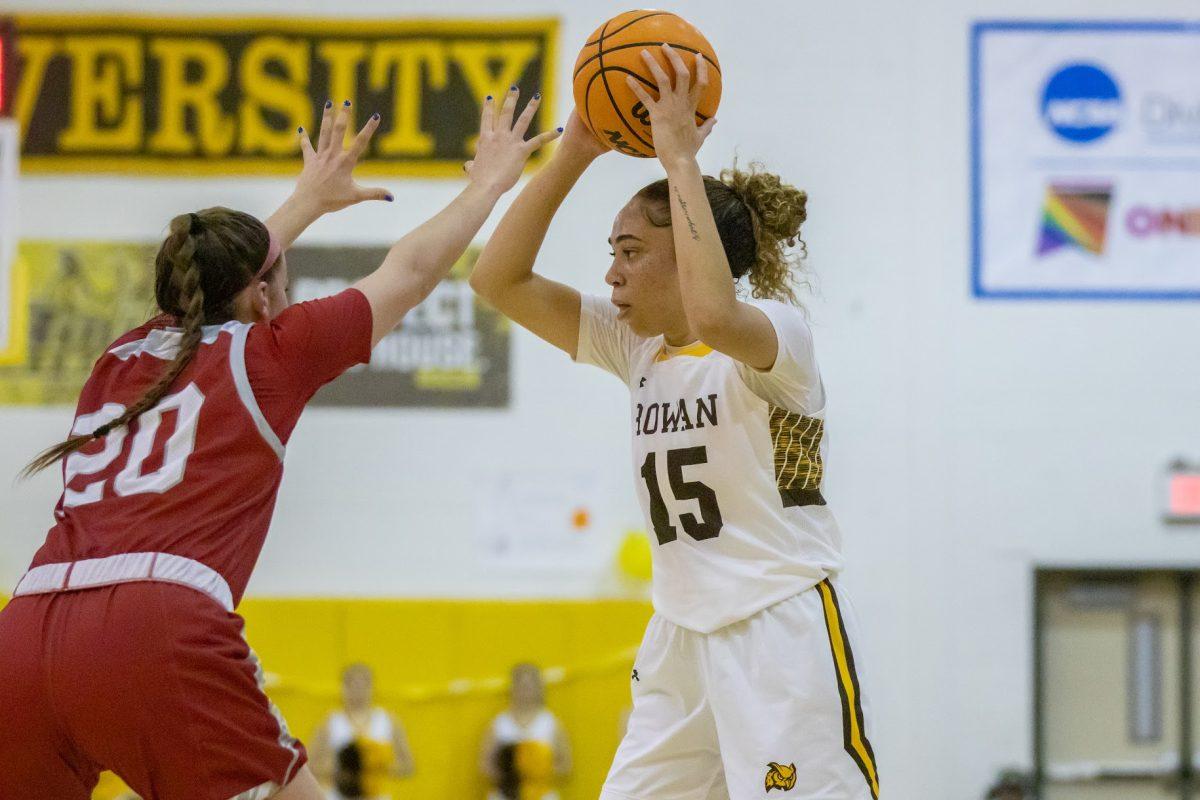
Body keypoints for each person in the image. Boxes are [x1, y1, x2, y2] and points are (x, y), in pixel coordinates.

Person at [0, 91, 558, 800]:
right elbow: (411, 271)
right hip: (152, 626)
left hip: (23, 631)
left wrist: (306, 202)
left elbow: (211, 277)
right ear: (263, 298)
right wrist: (488, 184)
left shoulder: (120, 356)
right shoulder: (269, 354)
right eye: (280, 284)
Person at [469, 46, 879, 800]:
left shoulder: (777, 337)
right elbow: (497, 280)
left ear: (693, 256)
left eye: (631, 252)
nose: (611, 273)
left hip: (776, 630)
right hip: (678, 636)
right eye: (611, 253)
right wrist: (579, 151)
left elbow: (716, 312)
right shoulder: (636, 347)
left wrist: (680, 159)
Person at [309, 663, 414, 799]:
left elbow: (408, 766)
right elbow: (310, 766)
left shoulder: (388, 720)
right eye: (352, 685)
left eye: (363, 685)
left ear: (372, 687)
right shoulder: (330, 722)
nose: (358, 690)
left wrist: (377, 765)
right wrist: (340, 770)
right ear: (343, 687)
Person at [480, 663, 571, 800]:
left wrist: (537, 771)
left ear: (539, 688)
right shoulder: (499, 724)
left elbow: (566, 764)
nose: (525, 691)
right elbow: (484, 765)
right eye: (521, 686)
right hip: (505, 795)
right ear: (513, 688)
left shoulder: (550, 723)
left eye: (530, 686)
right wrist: (511, 774)